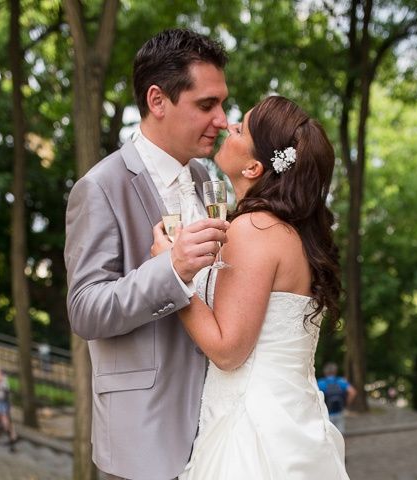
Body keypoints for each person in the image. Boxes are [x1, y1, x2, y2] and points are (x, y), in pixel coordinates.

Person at [152, 95, 349, 479]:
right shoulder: (291, 233)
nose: (228, 126)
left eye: (241, 128)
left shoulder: (253, 229)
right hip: (292, 419)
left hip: (252, 432)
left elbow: (228, 351)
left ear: (255, 166)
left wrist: (171, 272)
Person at [64, 29, 230, 480]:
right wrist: (170, 270)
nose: (222, 119)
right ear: (157, 101)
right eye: (206, 105)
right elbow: (84, 310)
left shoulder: (206, 179)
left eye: (222, 104)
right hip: (145, 438)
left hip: (218, 428)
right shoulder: (99, 188)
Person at [318, 362, 358, 434]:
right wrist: (346, 403)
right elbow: (353, 392)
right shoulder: (341, 381)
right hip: (339, 411)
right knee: (340, 435)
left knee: (328, 435)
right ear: (335, 371)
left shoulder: (320, 383)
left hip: (326, 413)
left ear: (325, 372)